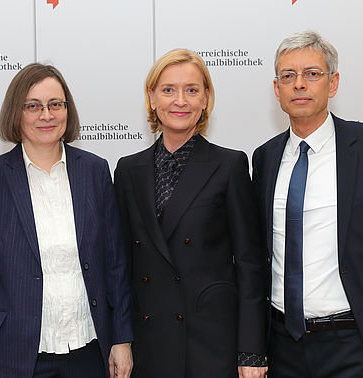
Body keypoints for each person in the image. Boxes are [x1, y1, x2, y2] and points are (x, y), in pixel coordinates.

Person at [0, 63, 133, 378]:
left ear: (68, 110)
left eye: (56, 104)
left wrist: (121, 339)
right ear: (16, 113)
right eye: (33, 106)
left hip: (89, 350)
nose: (47, 115)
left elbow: (115, 263)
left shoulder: (94, 171)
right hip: (15, 356)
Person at [252, 30, 363, 377]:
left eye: (312, 74)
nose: (299, 84)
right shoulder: (265, 158)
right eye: (288, 76)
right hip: (282, 346)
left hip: (355, 344)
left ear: (332, 84)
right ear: (277, 90)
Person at [113, 48, 267, 378]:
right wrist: (120, 340)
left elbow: (251, 265)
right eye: (168, 90)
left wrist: (252, 351)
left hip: (211, 345)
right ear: (152, 98)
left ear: (205, 99)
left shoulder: (229, 166)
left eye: (191, 90)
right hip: (149, 345)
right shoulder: (128, 171)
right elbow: (121, 266)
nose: (180, 101)